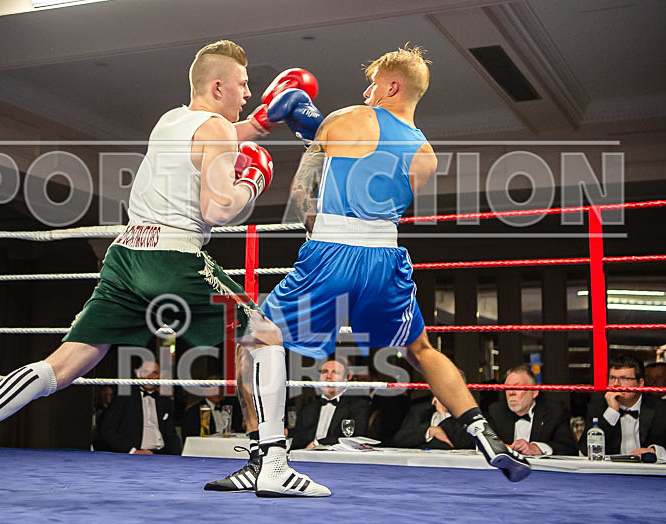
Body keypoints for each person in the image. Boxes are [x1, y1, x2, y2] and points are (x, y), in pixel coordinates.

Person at [0, 40, 329, 500]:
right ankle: (274, 465)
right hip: (173, 257)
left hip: (125, 256)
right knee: (265, 336)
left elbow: (216, 138)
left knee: (60, 366)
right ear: (218, 87)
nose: (249, 93)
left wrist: (262, 124)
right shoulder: (215, 129)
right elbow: (217, 209)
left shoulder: (171, 120)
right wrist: (251, 182)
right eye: (243, 84)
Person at [208, 44, 530, 493]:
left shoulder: (351, 117)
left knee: (256, 338)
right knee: (420, 349)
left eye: (372, 84)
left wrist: (307, 147)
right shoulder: (426, 155)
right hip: (386, 259)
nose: (366, 92)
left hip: (332, 251)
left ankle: (268, 459)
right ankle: (485, 435)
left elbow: (303, 193)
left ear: (392, 87)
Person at [579, 355, 666, 460]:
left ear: (640, 383)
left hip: (649, 468)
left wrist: (655, 451)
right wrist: (612, 412)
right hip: (611, 469)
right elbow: (584, 451)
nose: (616, 384)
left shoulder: (661, 408)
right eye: (612, 378)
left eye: (624, 378)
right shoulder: (597, 407)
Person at [487, 365, 577, 456]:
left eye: (518, 387)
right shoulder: (496, 411)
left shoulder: (555, 412)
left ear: (534, 392)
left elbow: (569, 448)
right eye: (507, 388)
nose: (511, 392)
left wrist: (538, 448)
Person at [95, 361, 180, 455]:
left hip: (162, 455)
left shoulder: (165, 401)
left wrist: (177, 457)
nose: (150, 376)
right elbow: (107, 430)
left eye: (154, 373)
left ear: (159, 376)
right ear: (138, 374)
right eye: (146, 372)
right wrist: (132, 451)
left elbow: (171, 435)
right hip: (134, 455)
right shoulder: (124, 398)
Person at [289, 359, 370, 450]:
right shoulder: (307, 408)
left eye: (335, 373)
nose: (328, 376)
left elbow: (355, 438)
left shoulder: (358, 406)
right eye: (324, 372)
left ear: (346, 379)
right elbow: (299, 440)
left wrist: (318, 443)